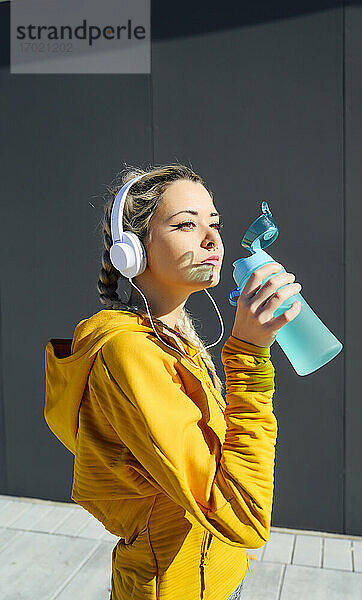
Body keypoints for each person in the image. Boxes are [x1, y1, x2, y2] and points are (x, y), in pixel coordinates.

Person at [44, 163, 302, 600]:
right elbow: (243, 518)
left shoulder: (173, 335)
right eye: (185, 225)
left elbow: (214, 465)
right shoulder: (128, 352)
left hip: (220, 579)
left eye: (214, 223)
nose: (212, 239)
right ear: (134, 250)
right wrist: (248, 355)